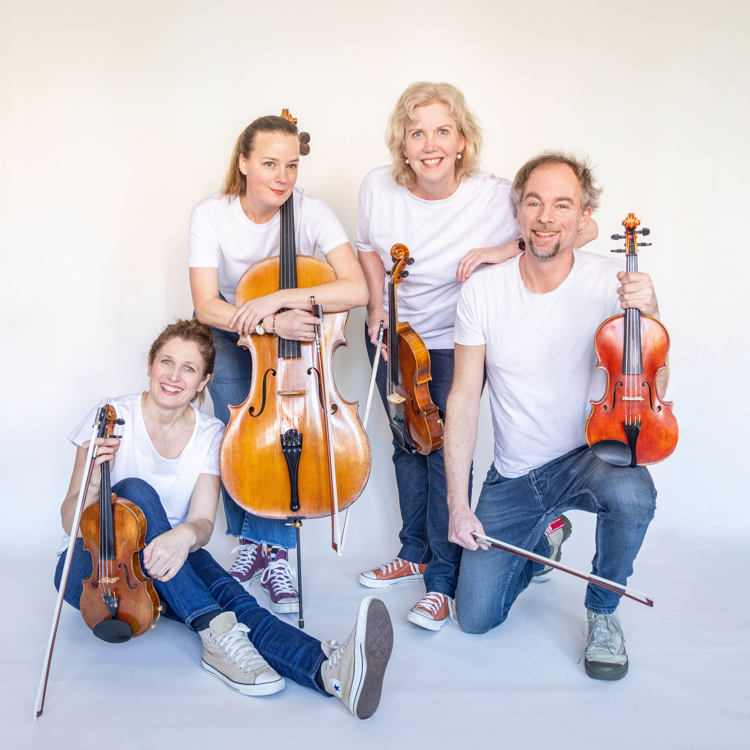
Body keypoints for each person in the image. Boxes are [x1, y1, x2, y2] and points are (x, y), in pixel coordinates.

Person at [55, 319, 392, 718]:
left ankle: (329, 671)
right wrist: (95, 481)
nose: (173, 376)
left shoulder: (210, 432)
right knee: (134, 491)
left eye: (189, 368)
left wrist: (183, 538)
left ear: (204, 381)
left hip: (165, 562)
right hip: (94, 575)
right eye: (166, 362)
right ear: (150, 365)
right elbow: (69, 521)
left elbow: (201, 523)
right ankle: (213, 630)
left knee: (238, 603)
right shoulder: (110, 417)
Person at [355, 82, 595, 630]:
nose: (430, 145)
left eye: (443, 131)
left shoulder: (492, 195)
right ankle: (413, 551)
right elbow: (367, 249)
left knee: (442, 452)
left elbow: (580, 228)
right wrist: (375, 305)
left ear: (462, 140)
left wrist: (503, 249)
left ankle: (442, 581)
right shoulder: (376, 187)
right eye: (417, 133)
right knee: (406, 446)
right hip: (394, 336)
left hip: (452, 340)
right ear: (402, 142)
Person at [446, 153, 661, 680]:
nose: (546, 217)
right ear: (518, 211)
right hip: (516, 475)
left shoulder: (614, 284)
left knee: (635, 493)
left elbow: (652, 389)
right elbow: (464, 398)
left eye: (562, 205)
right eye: (534, 203)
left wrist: (650, 315)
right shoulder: (483, 291)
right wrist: (458, 505)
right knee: (474, 617)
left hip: (590, 456)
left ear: (583, 216)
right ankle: (545, 537)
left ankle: (603, 611)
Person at [189, 115, 367, 613]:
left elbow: (356, 288)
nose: (282, 177)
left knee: (292, 428)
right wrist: (269, 322)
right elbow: (206, 306)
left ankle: (270, 550)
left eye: (291, 165)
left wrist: (280, 298)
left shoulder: (311, 211)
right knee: (242, 437)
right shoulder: (211, 214)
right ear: (244, 162)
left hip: (294, 337)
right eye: (269, 163)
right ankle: (259, 544)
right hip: (232, 331)